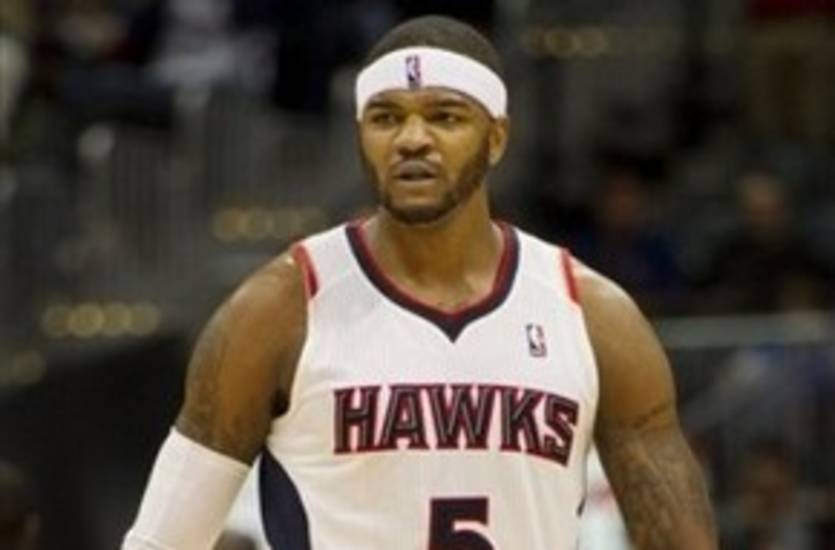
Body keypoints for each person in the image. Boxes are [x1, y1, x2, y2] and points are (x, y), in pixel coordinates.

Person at [123, 15, 716, 549]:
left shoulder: (590, 314)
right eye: (386, 118)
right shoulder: (278, 309)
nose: (411, 139)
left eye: (444, 116)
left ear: (496, 138)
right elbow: (160, 542)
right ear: (361, 136)